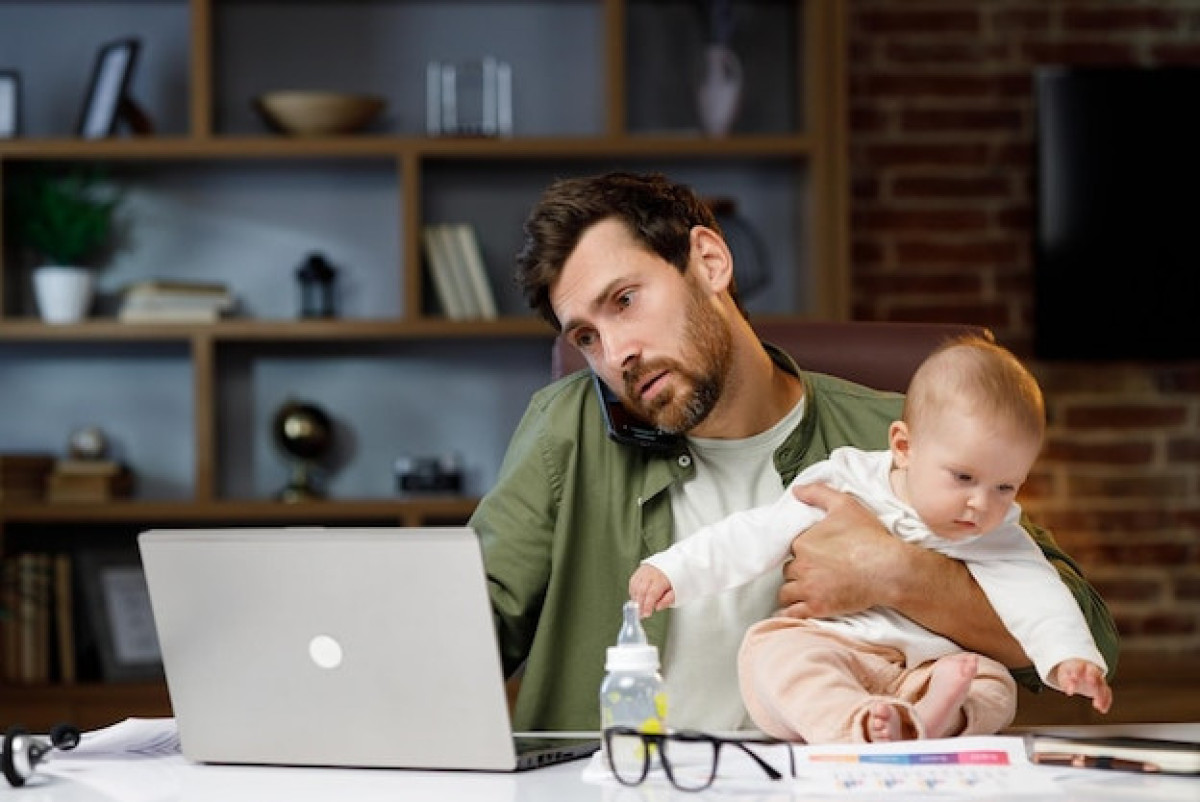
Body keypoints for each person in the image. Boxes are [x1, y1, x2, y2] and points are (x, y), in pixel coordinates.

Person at [469, 170, 1119, 733]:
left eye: (626, 300)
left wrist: (898, 573)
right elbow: (471, 627)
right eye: (586, 336)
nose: (617, 355)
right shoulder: (565, 429)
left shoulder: (900, 441)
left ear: (709, 261)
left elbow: (1089, 633)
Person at [629, 335, 1112, 742]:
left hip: (928, 667)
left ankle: (932, 717)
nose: (981, 505)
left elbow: (1041, 596)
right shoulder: (845, 479)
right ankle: (857, 725)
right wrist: (675, 569)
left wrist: (1070, 656)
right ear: (903, 447)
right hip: (839, 645)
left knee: (991, 685)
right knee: (773, 655)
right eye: (963, 478)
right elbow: (756, 533)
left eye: (1006, 487)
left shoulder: (998, 532)